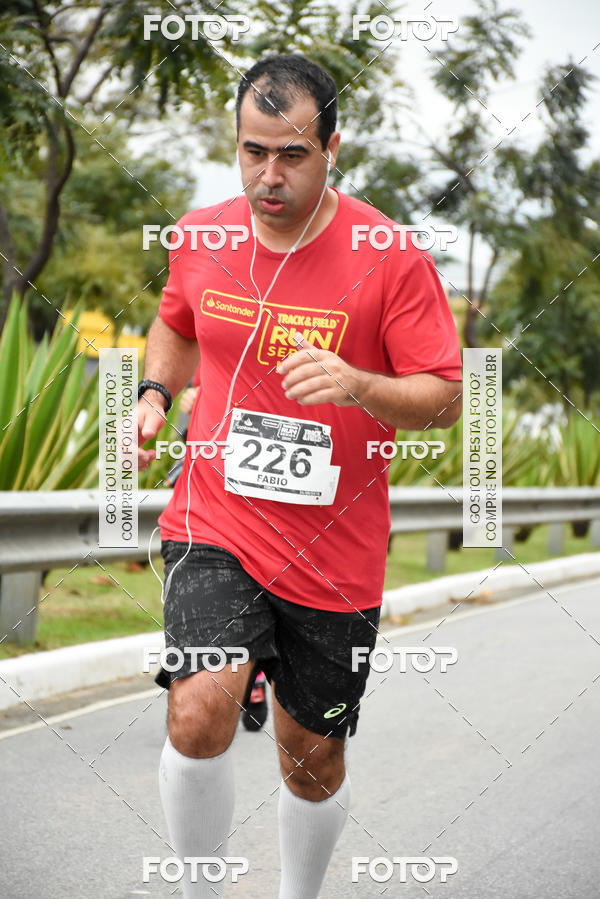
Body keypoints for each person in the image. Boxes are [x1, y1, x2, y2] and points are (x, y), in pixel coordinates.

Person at [137, 53, 462, 898]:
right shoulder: (201, 235)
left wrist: (359, 384)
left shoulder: (389, 257)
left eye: (292, 155)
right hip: (216, 521)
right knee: (200, 705)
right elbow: (173, 323)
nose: (268, 176)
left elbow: (444, 399)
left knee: (310, 758)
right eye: (252, 152)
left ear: (332, 148)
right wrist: (151, 394)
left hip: (333, 554)